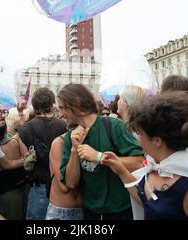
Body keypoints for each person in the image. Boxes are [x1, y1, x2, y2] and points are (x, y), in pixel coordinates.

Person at [102, 92, 188, 220]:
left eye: (139, 133)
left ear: (156, 140)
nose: (138, 139)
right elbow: (147, 201)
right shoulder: (157, 167)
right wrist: (121, 171)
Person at [58, 84, 144, 220]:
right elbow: (70, 183)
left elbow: (139, 162)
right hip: (91, 213)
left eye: (62, 108)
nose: (60, 114)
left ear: (76, 103)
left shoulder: (114, 126)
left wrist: (99, 157)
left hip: (121, 211)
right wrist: (75, 150)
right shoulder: (70, 137)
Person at [18, 87, 68, 220]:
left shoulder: (24, 129)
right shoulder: (64, 126)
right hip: (63, 185)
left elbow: (27, 161)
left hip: (39, 186)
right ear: (52, 103)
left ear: (34, 105)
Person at [0, 107, 30, 220]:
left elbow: (5, 165)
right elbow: (7, 164)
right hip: (19, 188)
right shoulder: (14, 141)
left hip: (7, 192)